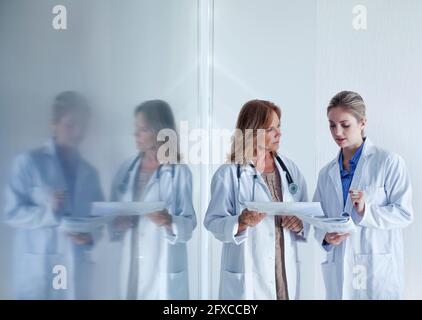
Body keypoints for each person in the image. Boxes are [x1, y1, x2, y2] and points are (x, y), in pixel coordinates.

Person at [313, 91, 414, 299]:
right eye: (332, 125)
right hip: (340, 266)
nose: (337, 132)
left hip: (377, 269)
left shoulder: (388, 162)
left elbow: (404, 213)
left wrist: (366, 210)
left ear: (362, 123)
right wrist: (326, 236)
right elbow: (317, 217)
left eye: (345, 124)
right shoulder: (326, 173)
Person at [3, 91, 104, 299]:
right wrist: (48, 212)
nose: (78, 132)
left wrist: (89, 237)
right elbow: (11, 213)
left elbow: (99, 219)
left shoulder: (90, 173)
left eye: (83, 125)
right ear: (53, 124)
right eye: (71, 124)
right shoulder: (29, 163)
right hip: (39, 269)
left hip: (74, 267)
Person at [204, 99, 309, 300]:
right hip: (249, 273)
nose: (279, 133)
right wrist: (240, 222)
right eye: (271, 129)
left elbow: (305, 210)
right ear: (253, 131)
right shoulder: (228, 174)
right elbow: (212, 222)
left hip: (283, 268)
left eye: (279, 126)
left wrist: (299, 223)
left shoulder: (289, 168)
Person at [110, 99, 196, 299]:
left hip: (162, 267)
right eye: (136, 129)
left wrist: (168, 221)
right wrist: (118, 224)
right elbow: (113, 214)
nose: (136, 135)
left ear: (160, 131)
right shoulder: (126, 169)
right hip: (132, 263)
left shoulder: (179, 172)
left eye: (143, 129)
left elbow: (189, 224)